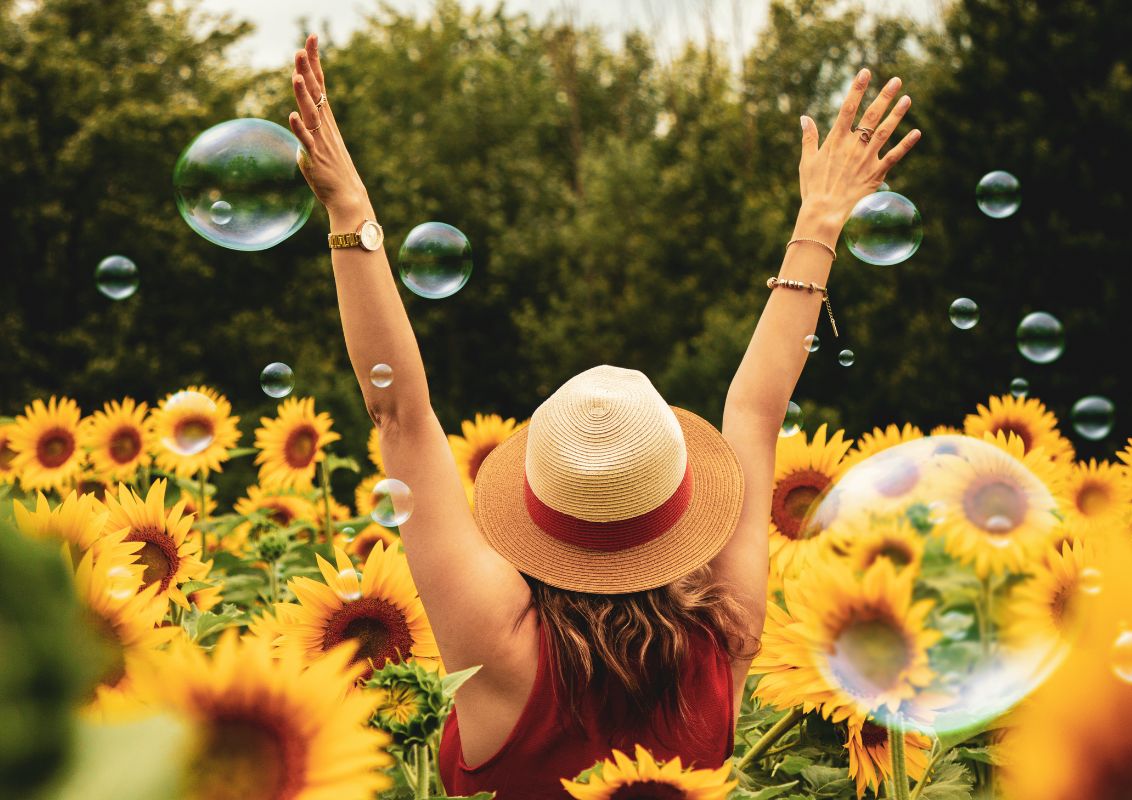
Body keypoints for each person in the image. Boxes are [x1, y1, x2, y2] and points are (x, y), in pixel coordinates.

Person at [286, 33, 919, 799]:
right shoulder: (724, 637)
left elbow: (401, 417)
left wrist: (351, 211)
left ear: (538, 505)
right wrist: (819, 221)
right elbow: (754, 413)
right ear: (678, 504)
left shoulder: (498, 645)